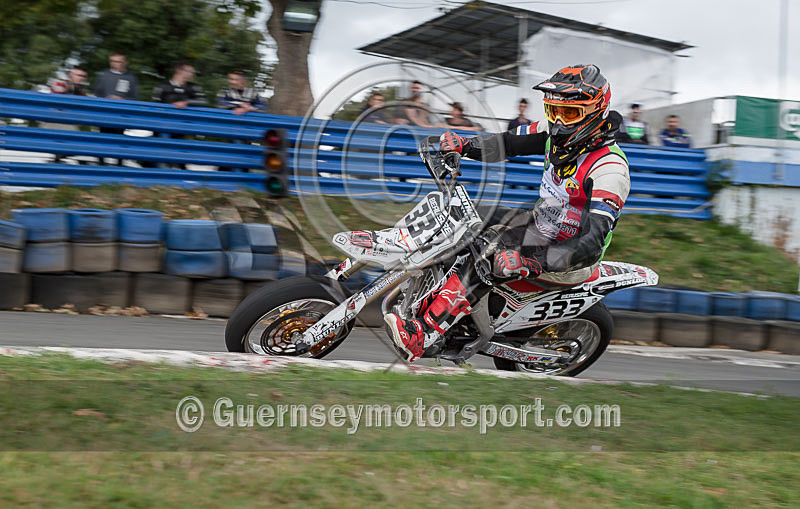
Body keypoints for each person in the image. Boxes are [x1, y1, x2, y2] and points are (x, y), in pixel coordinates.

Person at [384, 64, 631, 362]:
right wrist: (466, 145)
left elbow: (591, 243)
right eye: (553, 111)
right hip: (540, 225)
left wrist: (532, 261)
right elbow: (509, 142)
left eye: (569, 114)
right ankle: (409, 269)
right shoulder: (553, 132)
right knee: (464, 214)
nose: (558, 122)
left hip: (566, 256)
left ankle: (425, 333)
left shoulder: (610, 170)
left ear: (596, 111)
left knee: (484, 258)